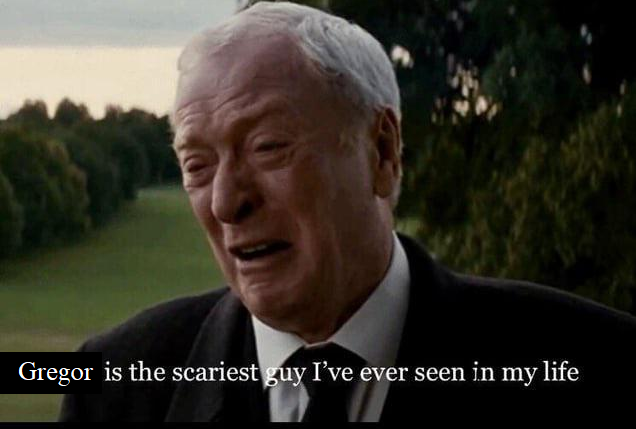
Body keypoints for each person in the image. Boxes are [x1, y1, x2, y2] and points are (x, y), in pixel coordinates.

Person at [60, 1, 636, 422]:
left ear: (382, 151)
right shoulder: (113, 386)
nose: (226, 202)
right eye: (197, 165)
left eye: (268, 147)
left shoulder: (602, 364)